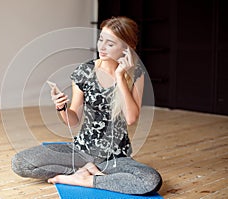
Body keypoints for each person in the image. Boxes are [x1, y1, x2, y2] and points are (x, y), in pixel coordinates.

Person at [11, 16, 162, 195]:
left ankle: (85, 179)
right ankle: (86, 173)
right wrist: (62, 108)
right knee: (21, 162)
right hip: (81, 150)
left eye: (110, 43)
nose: (102, 47)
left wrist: (120, 77)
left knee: (150, 180)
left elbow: (131, 118)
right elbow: (72, 120)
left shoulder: (136, 73)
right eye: (101, 39)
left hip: (116, 158)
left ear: (126, 48)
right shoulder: (84, 71)